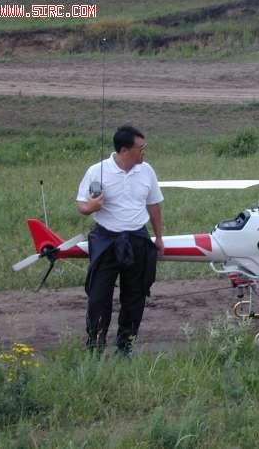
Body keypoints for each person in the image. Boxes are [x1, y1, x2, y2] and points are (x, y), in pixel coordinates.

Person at [76, 125, 164, 355]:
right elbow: (81, 205)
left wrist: (159, 238)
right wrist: (91, 207)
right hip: (107, 239)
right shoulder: (97, 171)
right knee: (98, 296)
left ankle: (126, 346)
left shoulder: (147, 171)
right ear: (125, 150)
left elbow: (154, 205)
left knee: (135, 295)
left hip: (137, 237)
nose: (144, 151)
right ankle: (95, 343)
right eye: (140, 147)